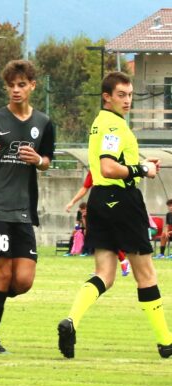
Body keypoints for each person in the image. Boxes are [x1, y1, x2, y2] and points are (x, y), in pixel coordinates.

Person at [57, 71, 172, 359]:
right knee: (145, 275)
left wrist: (142, 164)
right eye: (121, 95)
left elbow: (112, 162)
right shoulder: (113, 127)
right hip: (121, 200)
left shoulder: (101, 124)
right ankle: (166, 341)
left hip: (98, 201)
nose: (128, 100)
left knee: (104, 274)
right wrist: (140, 170)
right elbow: (109, 167)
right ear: (106, 97)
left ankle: (71, 320)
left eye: (130, 94)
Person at [0, 60, 55, 354]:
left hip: (24, 212)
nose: (16, 90)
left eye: (22, 85)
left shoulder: (43, 123)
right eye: (11, 85)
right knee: (3, 276)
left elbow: (47, 162)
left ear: (32, 86)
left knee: (24, 281)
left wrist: (38, 161)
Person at [65, 171, 131, 275]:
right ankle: (103, 268)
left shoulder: (112, 166)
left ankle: (123, 261)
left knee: (110, 236)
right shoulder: (94, 168)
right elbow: (85, 187)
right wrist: (72, 202)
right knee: (98, 238)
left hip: (112, 203)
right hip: (97, 203)